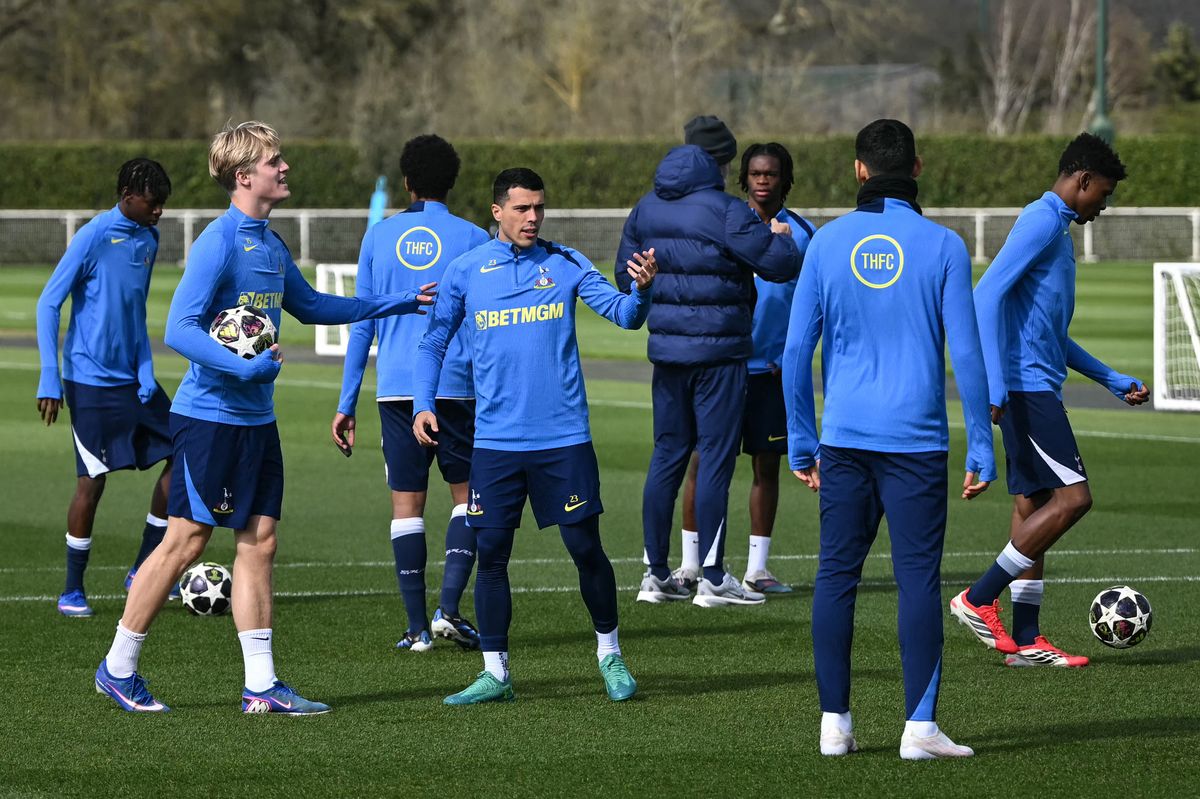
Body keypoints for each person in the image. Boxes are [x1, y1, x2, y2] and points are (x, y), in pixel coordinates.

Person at [93, 121, 435, 714]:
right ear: (245, 175)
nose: (285, 168)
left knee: (260, 542)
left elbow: (313, 305)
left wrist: (398, 302)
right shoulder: (219, 242)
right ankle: (117, 667)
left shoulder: (271, 245)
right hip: (211, 418)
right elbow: (179, 329)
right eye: (275, 161)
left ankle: (261, 687)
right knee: (187, 539)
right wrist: (243, 368)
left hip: (255, 421)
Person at [783, 119, 994, 759]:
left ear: (859, 171)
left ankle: (834, 727)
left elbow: (794, 352)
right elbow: (970, 353)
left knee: (835, 577)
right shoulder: (945, 245)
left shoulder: (825, 243)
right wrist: (982, 443)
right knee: (917, 582)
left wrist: (800, 438)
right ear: (918, 167)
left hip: (844, 439)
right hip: (916, 444)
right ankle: (919, 730)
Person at [413, 168, 657, 704]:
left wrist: (641, 290)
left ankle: (610, 656)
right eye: (521, 208)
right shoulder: (466, 271)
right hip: (496, 443)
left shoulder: (566, 263)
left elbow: (624, 316)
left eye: (538, 208)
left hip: (562, 438)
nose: (532, 217)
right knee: (492, 553)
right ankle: (495, 673)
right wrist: (424, 403)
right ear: (496, 212)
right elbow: (433, 342)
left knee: (584, 548)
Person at [950, 133, 1149, 667]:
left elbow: (1048, 331)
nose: (1102, 207)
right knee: (1074, 500)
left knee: (1034, 504)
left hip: (1034, 381)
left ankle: (1027, 642)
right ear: (1081, 181)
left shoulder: (1056, 228)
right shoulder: (1041, 221)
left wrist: (1106, 375)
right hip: (1026, 387)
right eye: (1101, 195)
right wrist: (994, 384)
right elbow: (984, 295)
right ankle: (977, 597)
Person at [619, 115, 801, 608]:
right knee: (717, 459)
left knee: (666, 458)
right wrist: (781, 236)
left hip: (667, 354)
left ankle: (656, 574)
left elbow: (625, 276)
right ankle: (715, 578)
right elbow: (780, 264)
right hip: (720, 355)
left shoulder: (645, 208)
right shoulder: (724, 209)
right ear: (722, 164)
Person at [333, 134, 490, 653]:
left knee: (407, 507)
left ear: (405, 181)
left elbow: (361, 322)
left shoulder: (380, 237)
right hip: (457, 386)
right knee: (467, 501)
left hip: (397, 389)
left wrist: (346, 402)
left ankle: (417, 628)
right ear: (452, 181)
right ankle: (450, 607)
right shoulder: (472, 237)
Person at [36, 158, 176, 618]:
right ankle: (72, 589)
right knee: (92, 482)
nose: (159, 212)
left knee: (185, 451)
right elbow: (48, 303)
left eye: (162, 205)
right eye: (153, 204)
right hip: (88, 381)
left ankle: (143, 567)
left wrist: (145, 368)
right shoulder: (95, 235)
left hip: (133, 380)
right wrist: (49, 377)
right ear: (128, 196)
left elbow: (134, 312)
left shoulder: (150, 239)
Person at [675, 142, 815, 595]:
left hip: (770, 373)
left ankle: (758, 569)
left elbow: (809, 307)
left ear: (784, 179)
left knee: (766, 467)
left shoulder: (803, 235)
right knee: (703, 463)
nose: (761, 180)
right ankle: (691, 565)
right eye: (755, 172)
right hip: (721, 368)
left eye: (771, 173)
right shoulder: (725, 225)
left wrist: (791, 359)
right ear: (744, 179)